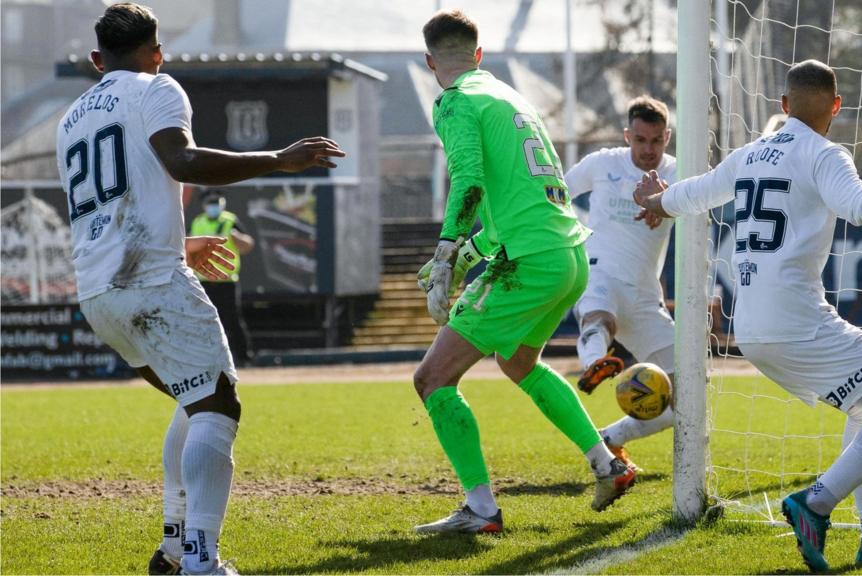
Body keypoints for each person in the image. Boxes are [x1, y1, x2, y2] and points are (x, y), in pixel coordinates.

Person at [633, 59, 862, 571]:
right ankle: (815, 503)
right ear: (837, 107)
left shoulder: (748, 154)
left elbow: (697, 192)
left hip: (751, 328)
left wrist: (658, 201)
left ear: (783, 105)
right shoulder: (825, 153)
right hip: (798, 320)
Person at [55, 4, 344, 574]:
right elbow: (182, 161)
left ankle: (172, 547)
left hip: (97, 293)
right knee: (218, 403)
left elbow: (109, 207)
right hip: (152, 282)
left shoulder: (70, 119)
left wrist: (182, 245)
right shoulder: (156, 87)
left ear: (96, 60)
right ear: (157, 51)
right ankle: (200, 561)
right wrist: (278, 160)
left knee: (196, 398)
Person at [412, 9, 635, 534]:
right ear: (480, 54)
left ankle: (481, 509)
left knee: (431, 378)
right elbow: (518, 203)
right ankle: (607, 464)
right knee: (517, 362)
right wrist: (469, 253)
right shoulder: (514, 100)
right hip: (567, 256)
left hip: (529, 262)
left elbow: (466, 179)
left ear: (429, 63)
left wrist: (447, 252)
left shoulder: (456, 100)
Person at [565, 95, 678, 469]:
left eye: (657, 140)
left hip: (646, 297)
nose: (648, 149)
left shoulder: (677, 174)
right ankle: (596, 361)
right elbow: (557, 195)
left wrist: (661, 203)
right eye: (641, 139)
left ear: (668, 136)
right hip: (598, 270)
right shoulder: (602, 164)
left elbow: (697, 219)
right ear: (627, 135)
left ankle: (611, 438)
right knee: (598, 315)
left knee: (690, 397)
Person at [190, 190, 255, 364]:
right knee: (204, 320)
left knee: (232, 320)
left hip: (226, 280)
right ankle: (206, 358)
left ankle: (243, 357)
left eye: (215, 203)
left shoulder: (230, 220)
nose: (213, 207)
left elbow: (248, 244)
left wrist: (237, 237)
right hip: (205, 280)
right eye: (209, 203)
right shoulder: (198, 222)